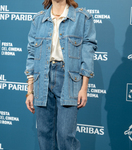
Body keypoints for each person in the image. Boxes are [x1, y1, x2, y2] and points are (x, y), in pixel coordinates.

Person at [24, 0, 97, 149]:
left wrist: (84, 87)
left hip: (69, 80)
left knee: (65, 136)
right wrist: (29, 90)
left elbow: (87, 53)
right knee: (44, 135)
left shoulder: (82, 18)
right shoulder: (38, 20)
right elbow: (31, 55)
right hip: (41, 80)